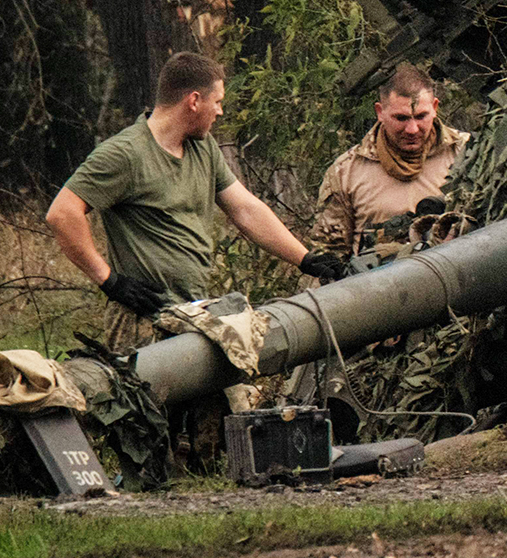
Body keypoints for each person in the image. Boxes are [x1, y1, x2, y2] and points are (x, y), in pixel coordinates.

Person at [46, 52, 348, 347]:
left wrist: (305, 259)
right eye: (217, 102)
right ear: (194, 101)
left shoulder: (203, 147)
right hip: (143, 319)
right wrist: (110, 281)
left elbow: (245, 209)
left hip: (195, 313)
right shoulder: (125, 154)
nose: (220, 112)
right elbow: (62, 213)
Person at [312, 64, 471, 255]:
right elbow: (328, 255)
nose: (412, 129)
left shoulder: (468, 152)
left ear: (435, 107)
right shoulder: (346, 172)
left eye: (421, 116)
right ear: (380, 112)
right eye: (401, 118)